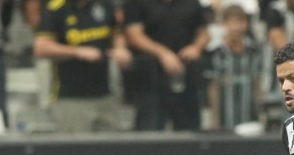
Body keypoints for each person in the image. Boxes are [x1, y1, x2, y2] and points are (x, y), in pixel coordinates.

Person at [33, 0, 132, 132]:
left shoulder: (103, 5)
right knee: (76, 149)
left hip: (105, 94)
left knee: (110, 148)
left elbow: (116, 32)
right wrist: (77, 51)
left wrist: (120, 48)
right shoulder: (56, 8)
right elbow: (41, 48)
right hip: (70, 97)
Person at [124, 0, 209, 131]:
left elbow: (203, 32)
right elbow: (133, 35)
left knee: (189, 132)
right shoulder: (137, 2)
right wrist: (163, 54)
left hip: (185, 74)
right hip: (150, 78)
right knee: (149, 132)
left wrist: (196, 47)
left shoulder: (191, 2)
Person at [206, 5, 263, 130]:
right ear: (224, 24)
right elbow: (213, 86)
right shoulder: (216, 52)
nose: (236, 27)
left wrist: (261, 111)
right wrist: (214, 116)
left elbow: (257, 82)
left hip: (249, 114)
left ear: (246, 24)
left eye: (240, 22)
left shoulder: (254, 51)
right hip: (225, 116)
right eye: (232, 22)